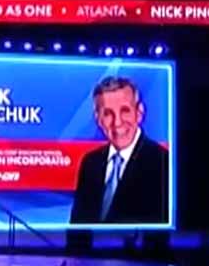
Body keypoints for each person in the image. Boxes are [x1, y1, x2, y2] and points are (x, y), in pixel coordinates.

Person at [68, 75, 169, 226]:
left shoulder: (162, 162)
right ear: (98, 118)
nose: (117, 122)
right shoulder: (90, 163)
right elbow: (77, 227)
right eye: (108, 113)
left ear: (139, 113)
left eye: (125, 111)